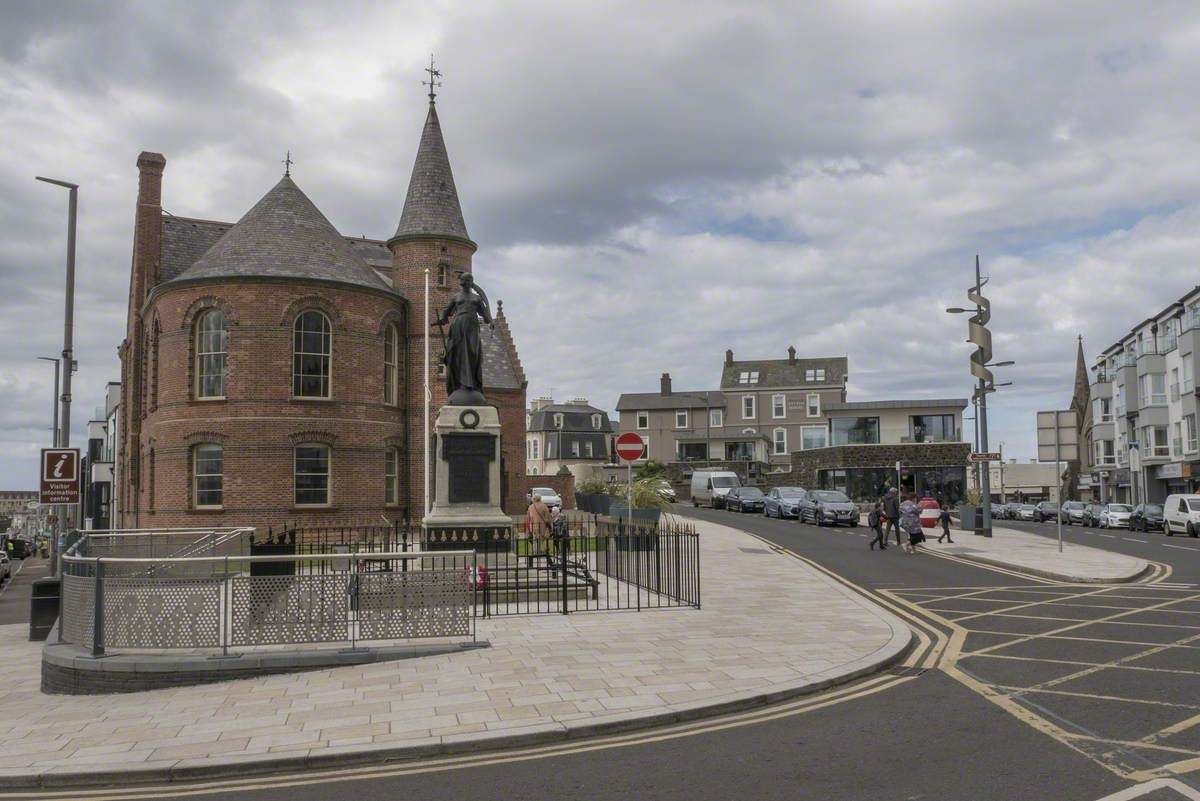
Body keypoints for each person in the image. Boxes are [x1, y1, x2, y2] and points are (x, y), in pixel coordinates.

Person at [525, 494, 552, 567]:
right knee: (541, 537)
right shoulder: (544, 506)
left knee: (535, 537)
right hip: (542, 524)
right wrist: (549, 523)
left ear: (533, 499)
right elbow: (547, 516)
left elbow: (528, 516)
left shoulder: (531, 507)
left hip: (534, 524)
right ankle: (540, 550)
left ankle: (535, 551)